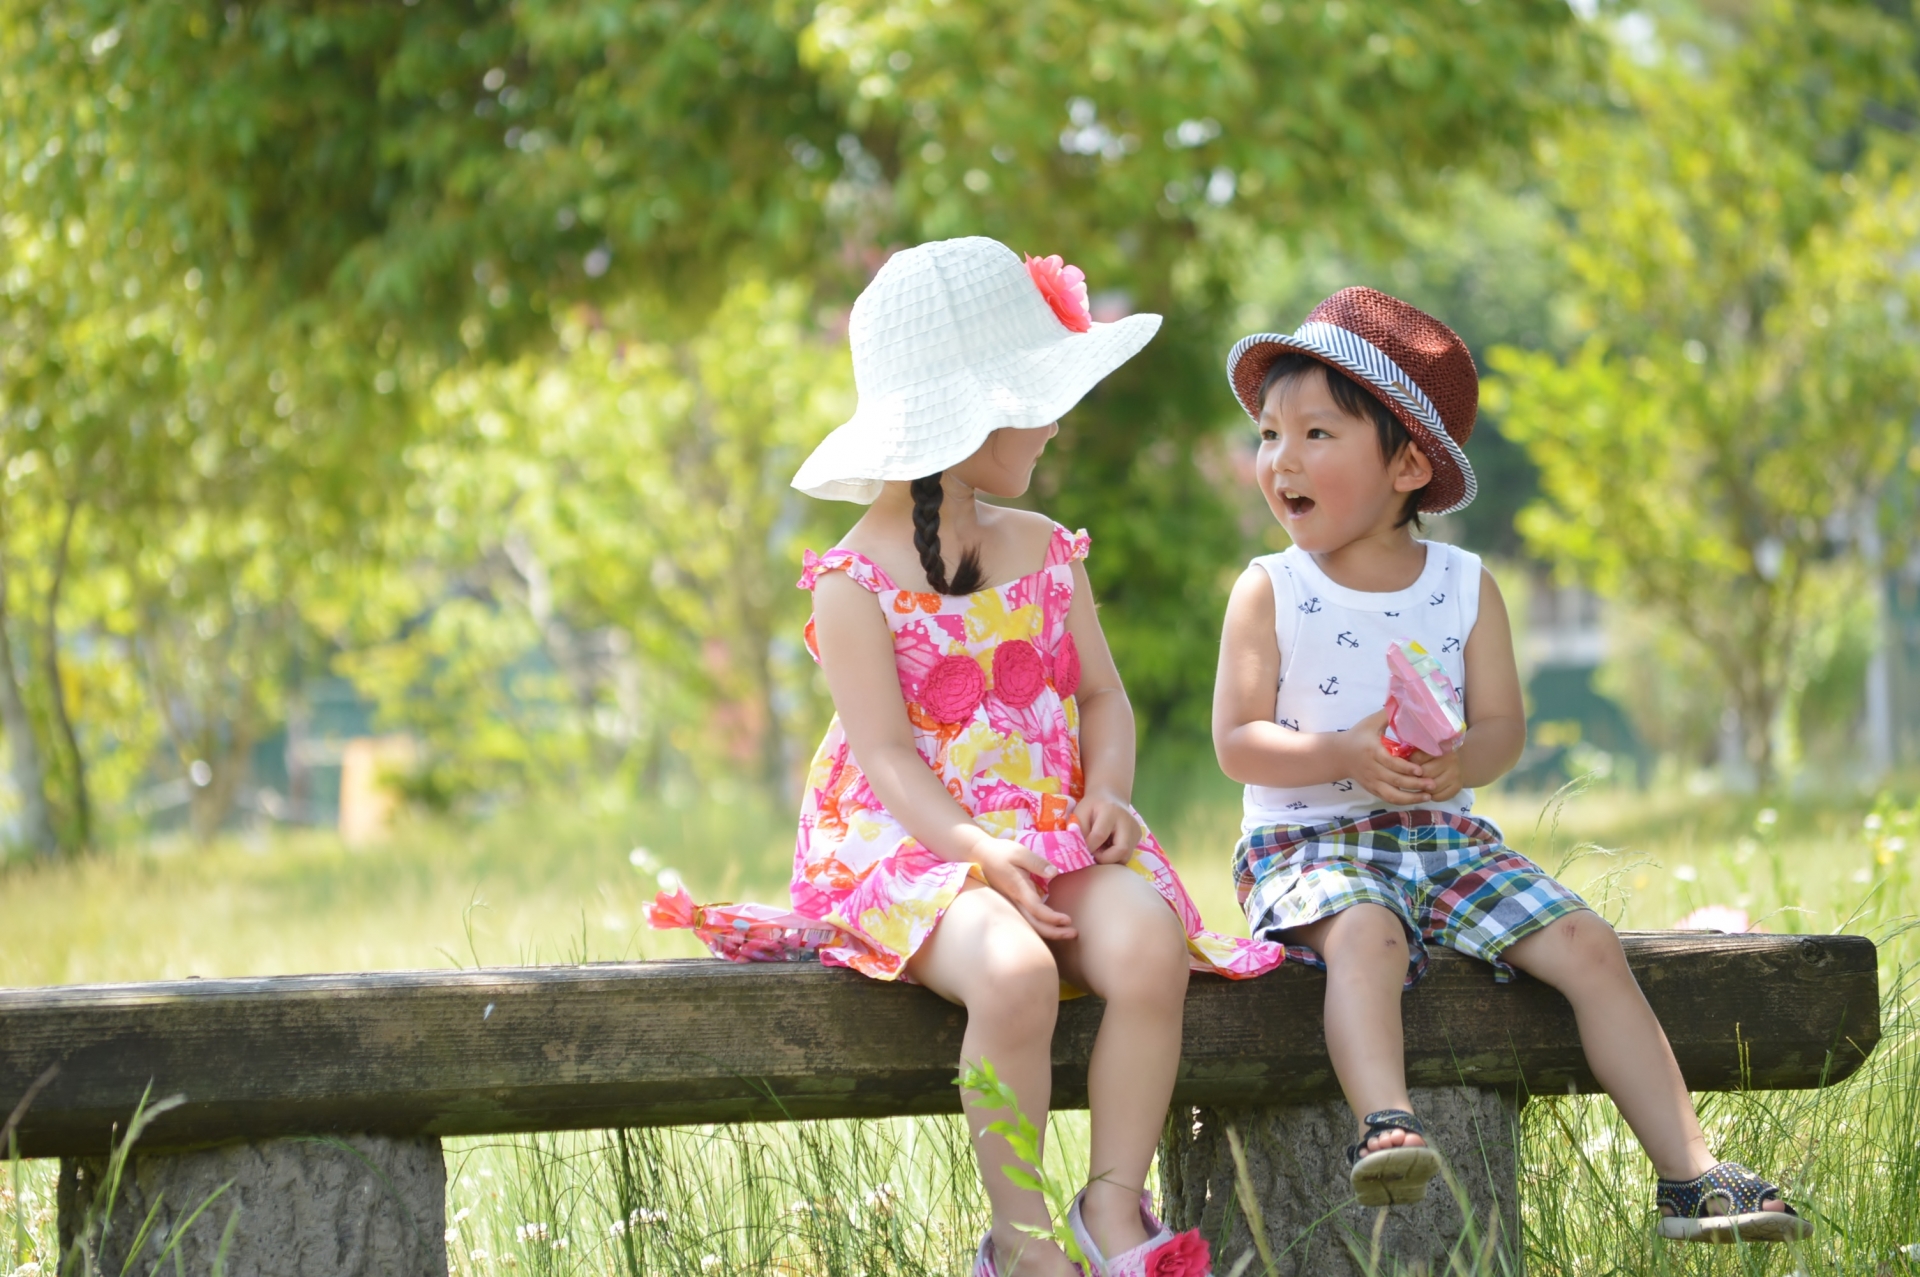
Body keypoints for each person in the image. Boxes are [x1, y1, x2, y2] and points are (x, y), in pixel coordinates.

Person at [658, 237, 1280, 1277]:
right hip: (914, 841)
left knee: (1148, 946)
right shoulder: (854, 578)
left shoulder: (1044, 546)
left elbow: (1100, 695)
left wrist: (1108, 791)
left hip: (1046, 827)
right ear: (962, 418)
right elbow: (889, 757)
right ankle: (1022, 1236)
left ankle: (1112, 1204)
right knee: (1014, 971)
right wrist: (978, 850)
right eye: (1030, 399)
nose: (1050, 420)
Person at [1210, 287, 1812, 1243]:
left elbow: (1501, 731)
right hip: (1308, 842)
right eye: (1270, 433)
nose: (1280, 459)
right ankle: (1385, 1122)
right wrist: (1342, 752)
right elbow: (1238, 740)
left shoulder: (1462, 585)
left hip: (1446, 837)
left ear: (1409, 462)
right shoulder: (1273, 587)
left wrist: (1456, 765)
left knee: (1587, 944)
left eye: (1316, 433)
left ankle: (1691, 1175)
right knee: (1366, 935)